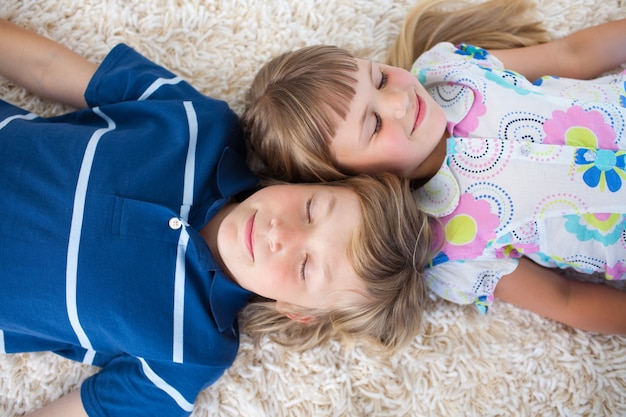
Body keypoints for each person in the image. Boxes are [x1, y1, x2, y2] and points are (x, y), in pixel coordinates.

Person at [0, 19, 433, 417]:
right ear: (308, 180)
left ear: (296, 311)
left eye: (305, 267)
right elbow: (47, 67)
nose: (280, 234)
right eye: (311, 209)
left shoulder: (193, 353)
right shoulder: (200, 122)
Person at [242, 0, 626, 336]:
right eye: (373, 125)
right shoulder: (448, 250)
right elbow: (565, 299)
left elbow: (573, 54)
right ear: (357, 181)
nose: (399, 101)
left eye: (380, 77)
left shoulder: (447, 70)